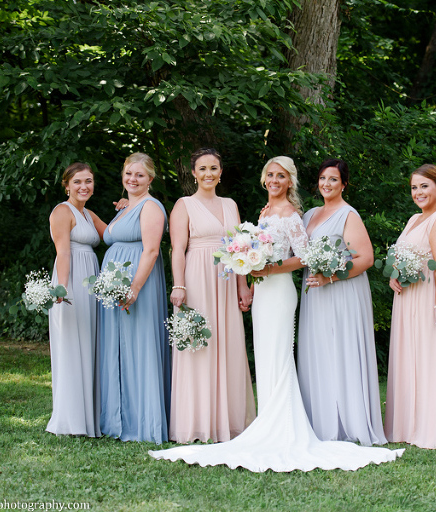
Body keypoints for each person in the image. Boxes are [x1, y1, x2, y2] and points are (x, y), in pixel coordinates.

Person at [149, 156, 404, 471]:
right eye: (270, 175)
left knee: (280, 356)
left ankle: (281, 428)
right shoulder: (265, 212)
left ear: (290, 181)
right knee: (267, 357)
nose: (274, 180)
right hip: (263, 292)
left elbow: (304, 256)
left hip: (281, 290)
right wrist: (252, 270)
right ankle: (268, 421)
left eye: (281, 176)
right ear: (263, 179)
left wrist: (270, 268)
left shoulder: (292, 214)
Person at [167, 148, 256, 443]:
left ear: (221, 172)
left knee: (227, 343)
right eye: (202, 169)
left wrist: (243, 285)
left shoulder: (231, 205)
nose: (208, 174)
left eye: (213, 168)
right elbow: (177, 249)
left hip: (228, 278)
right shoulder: (184, 205)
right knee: (199, 346)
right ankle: (197, 423)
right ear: (193, 173)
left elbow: (240, 247)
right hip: (197, 277)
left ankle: (228, 422)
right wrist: (179, 285)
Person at [297, 158, 387, 446]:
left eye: (333, 179)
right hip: (315, 293)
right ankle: (321, 420)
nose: (326, 184)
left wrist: (330, 277)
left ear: (344, 184)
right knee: (319, 350)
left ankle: (348, 421)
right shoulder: (310, 214)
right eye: (323, 178)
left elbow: (366, 259)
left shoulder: (348, 215)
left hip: (341, 291)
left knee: (340, 350)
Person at [384, 164, 436, 449]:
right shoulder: (415, 218)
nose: (418, 192)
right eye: (414, 187)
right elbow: (404, 254)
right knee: (408, 357)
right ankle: (406, 425)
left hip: (428, 297)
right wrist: (394, 274)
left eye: (424, 186)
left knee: (428, 358)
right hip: (407, 298)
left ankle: (430, 428)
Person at [99, 152, 171, 443]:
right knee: (117, 348)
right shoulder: (126, 207)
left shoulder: (151, 207)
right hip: (115, 288)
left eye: (140, 175)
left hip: (137, 285)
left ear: (150, 179)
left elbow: (151, 251)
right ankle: (117, 418)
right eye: (129, 174)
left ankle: (143, 422)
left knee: (138, 347)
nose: (133, 179)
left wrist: (134, 288)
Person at [47, 162, 107, 437]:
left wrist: (128, 208)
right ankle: (70, 421)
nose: (84, 186)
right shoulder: (62, 211)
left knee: (89, 344)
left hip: (90, 280)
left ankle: (89, 417)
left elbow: (113, 234)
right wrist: (62, 288)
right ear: (67, 185)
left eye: (89, 181)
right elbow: (64, 253)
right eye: (78, 182)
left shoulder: (88, 213)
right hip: (71, 280)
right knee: (72, 345)